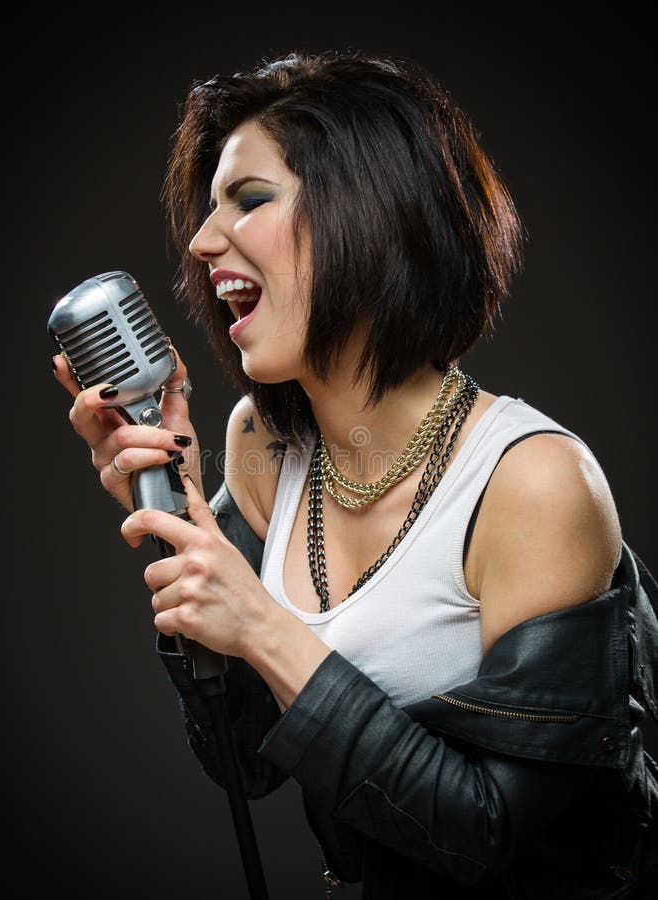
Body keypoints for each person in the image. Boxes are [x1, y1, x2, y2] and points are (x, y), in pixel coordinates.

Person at [52, 50, 658, 898]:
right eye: (208, 207)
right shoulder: (263, 445)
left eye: (250, 199)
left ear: (368, 217)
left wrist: (262, 623)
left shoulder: (534, 483)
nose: (200, 239)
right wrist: (182, 525)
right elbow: (247, 762)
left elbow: (493, 840)